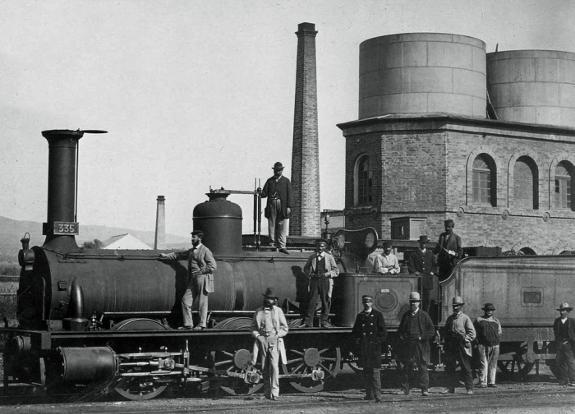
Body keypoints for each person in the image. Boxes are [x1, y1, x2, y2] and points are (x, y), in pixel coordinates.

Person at [160, 230, 216, 330]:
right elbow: (179, 255)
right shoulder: (191, 251)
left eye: (193, 237)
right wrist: (166, 256)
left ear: (199, 238)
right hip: (193, 279)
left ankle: (202, 325)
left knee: (202, 303)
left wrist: (201, 271)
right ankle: (188, 324)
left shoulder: (205, 250)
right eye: (191, 237)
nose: (191, 239)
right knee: (185, 301)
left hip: (202, 278)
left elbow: (213, 266)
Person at [251, 288, 289, 400]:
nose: (269, 301)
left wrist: (277, 336)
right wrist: (258, 336)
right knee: (264, 367)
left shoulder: (278, 311)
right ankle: (267, 392)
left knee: (274, 366)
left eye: (271, 299)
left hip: (274, 340)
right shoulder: (258, 311)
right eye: (267, 298)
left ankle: (275, 392)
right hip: (262, 340)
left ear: (275, 300)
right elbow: (252, 327)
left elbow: (285, 328)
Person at [397, 292, 436, 396]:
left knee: (422, 367)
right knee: (406, 367)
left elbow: (432, 331)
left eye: (415, 302)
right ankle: (405, 389)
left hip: (420, 346)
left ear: (419, 303)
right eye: (412, 302)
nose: (413, 304)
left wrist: (421, 337)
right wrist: (404, 339)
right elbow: (401, 330)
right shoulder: (406, 315)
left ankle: (424, 389)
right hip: (409, 345)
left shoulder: (424, 315)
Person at [352, 295, 387, 402]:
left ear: (372, 303)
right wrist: (358, 343)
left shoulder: (377, 315)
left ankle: (378, 396)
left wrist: (377, 342)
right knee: (366, 372)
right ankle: (369, 394)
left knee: (375, 373)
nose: (367, 304)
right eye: (365, 302)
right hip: (364, 348)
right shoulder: (360, 316)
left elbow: (383, 332)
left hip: (374, 349)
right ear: (363, 303)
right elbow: (355, 332)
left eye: (369, 302)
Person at [443, 296, 476, 394]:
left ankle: (469, 388)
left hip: (461, 344)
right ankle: (450, 388)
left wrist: (466, 339)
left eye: (457, 306)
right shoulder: (450, 318)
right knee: (450, 366)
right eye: (454, 306)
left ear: (461, 306)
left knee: (465, 367)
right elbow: (446, 332)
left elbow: (472, 333)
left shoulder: (465, 318)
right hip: (451, 345)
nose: (455, 307)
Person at [303, 239, 339, 327]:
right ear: (316, 247)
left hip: (325, 281)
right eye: (318, 246)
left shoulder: (329, 257)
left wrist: (327, 274)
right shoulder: (312, 257)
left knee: (325, 300)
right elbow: (306, 268)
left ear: (325, 247)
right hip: (314, 281)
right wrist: (310, 274)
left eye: (322, 246)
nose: (320, 248)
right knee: (312, 301)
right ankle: (308, 322)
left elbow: (336, 270)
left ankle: (324, 321)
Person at [260, 161, 292, 254]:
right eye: (276, 170)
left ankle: (282, 245)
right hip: (271, 204)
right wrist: (260, 192)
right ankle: (272, 243)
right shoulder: (270, 181)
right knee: (272, 224)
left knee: (282, 225)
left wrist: (289, 206)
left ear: (282, 170)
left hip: (283, 205)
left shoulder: (286, 181)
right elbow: (264, 193)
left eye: (279, 170)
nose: (277, 172)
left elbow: (290, 194)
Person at [474, 303, 502, 388]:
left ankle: (491, 382)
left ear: (493, 311)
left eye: (491, 310)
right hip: (482, 344)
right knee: (483, 363)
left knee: (493, 364)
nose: (489, 311)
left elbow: (500, 332)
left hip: (495, 345)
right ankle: (483, 382)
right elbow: (474, 331)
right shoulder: (478, 319)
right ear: (485, 310)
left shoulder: (496, 321)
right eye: (487, 310)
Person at [407, 235, 437, 314]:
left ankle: (425, 315)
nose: (423, 245)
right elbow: (410, 266)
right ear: (419, 243)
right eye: (422, 243)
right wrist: (414, 272)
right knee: (417, 299)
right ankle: (417, 314)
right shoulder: (414, 254)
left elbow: (435, 265)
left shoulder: (430, 254)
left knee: (427, 300)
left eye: (425, 243)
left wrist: (432, 272)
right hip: (418, 281)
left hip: (428, 281)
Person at [553, 302, 575, 386]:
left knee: (571, 362)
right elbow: (555, 332)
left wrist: (569, 341)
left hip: (569, 345)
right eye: (561, 310)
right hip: (560, 344)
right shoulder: (557, 321)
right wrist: (558, 342)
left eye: (564, 310)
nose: (562, 312)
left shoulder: (572, 321)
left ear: (568, 312)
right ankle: (563, 380)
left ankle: (573, 380)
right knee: (560, 362)